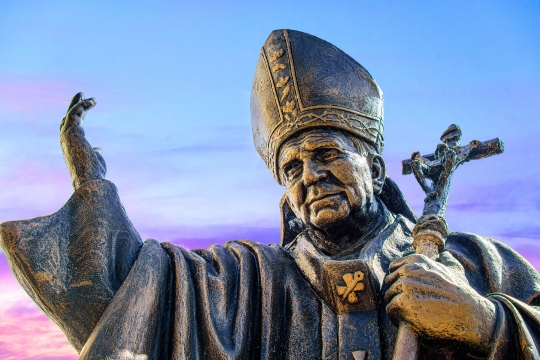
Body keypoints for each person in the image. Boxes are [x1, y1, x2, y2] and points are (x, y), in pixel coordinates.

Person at [1, 29, 539, 360]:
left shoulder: (476, 264)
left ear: (373, 166)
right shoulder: (242, 286)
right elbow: (129, 292)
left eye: (327, 153)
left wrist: (486, 324)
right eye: (291, 166)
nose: (309, 174)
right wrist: (92, 181)